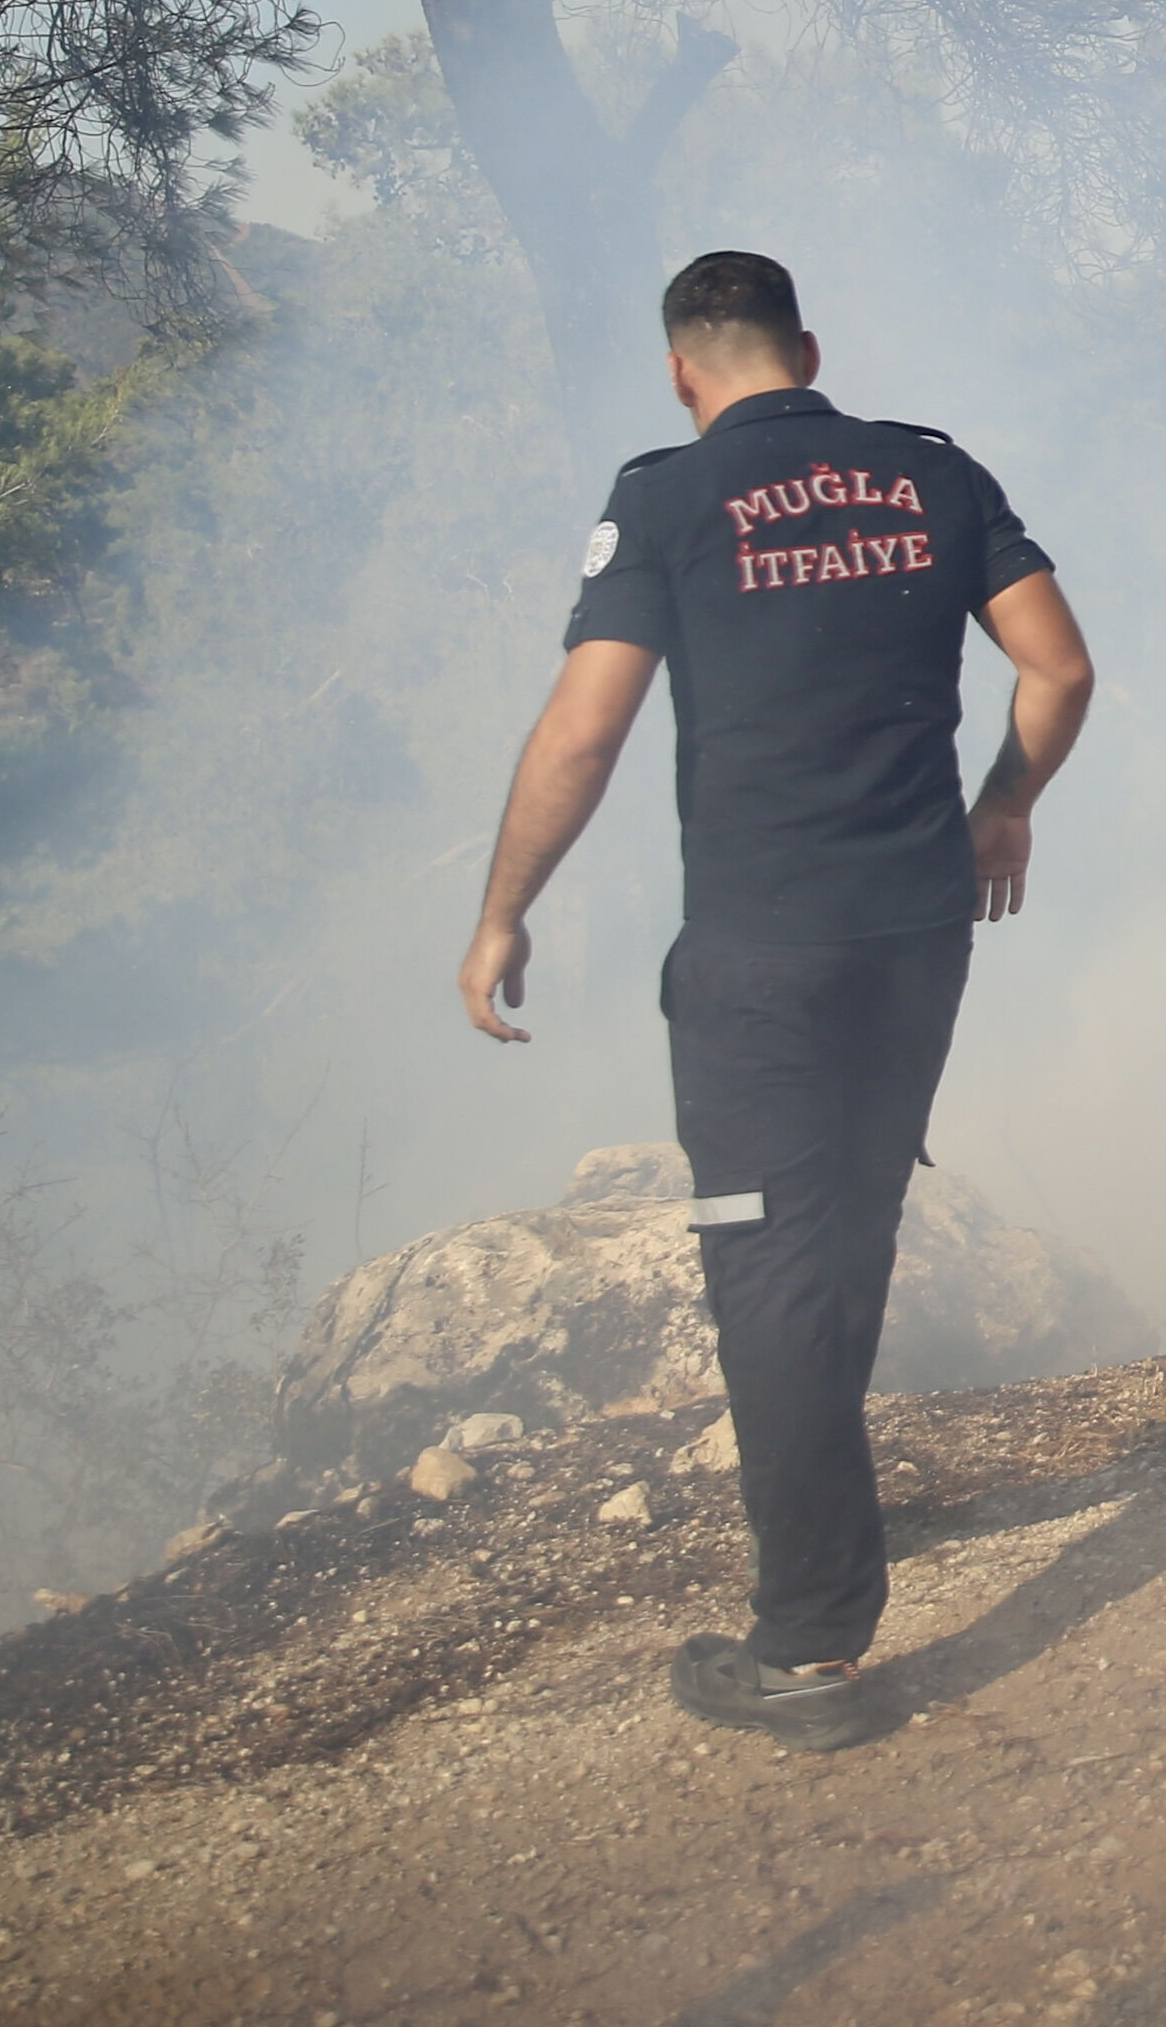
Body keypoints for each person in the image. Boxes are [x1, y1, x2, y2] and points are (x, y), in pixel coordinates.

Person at [456, 251, 1094, 1754]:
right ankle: (831, 1530)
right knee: (846, 1228)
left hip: (765, 958)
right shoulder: (934, 479)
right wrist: (1003, 810)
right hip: (920, 928)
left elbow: (585, 726)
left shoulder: (669, 500)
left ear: (685, 377)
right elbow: (1057, 669)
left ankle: (810, 1649)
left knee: (769, 1271)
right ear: (806, 348)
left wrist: (502, 910)